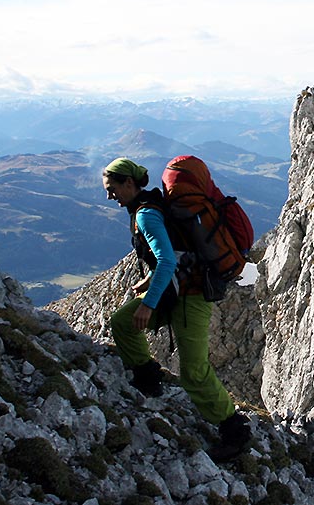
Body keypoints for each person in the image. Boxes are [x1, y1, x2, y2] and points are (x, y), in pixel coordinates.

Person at [102, 157, 251, 461]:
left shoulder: (146, 215)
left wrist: (148, 304)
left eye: (112, 189)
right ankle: (148, 378)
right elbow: (174, 253)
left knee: (194, 370)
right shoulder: (153, 204)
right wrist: (148, 281)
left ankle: (234, 430)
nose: (109, 196)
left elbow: (168, 261)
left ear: (129, 183)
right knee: (122, 322)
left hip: (190, 296)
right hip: (176, 290)